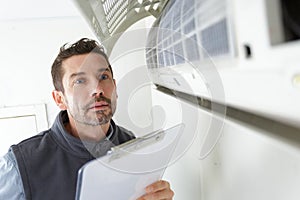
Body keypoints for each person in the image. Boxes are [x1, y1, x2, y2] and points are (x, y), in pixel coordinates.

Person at [0, 38, 174, 200]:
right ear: (60, 99)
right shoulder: (20, 165)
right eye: (80, 81)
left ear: (115, 87)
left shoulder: (130, 144)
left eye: (103, 77)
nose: (97, 89)